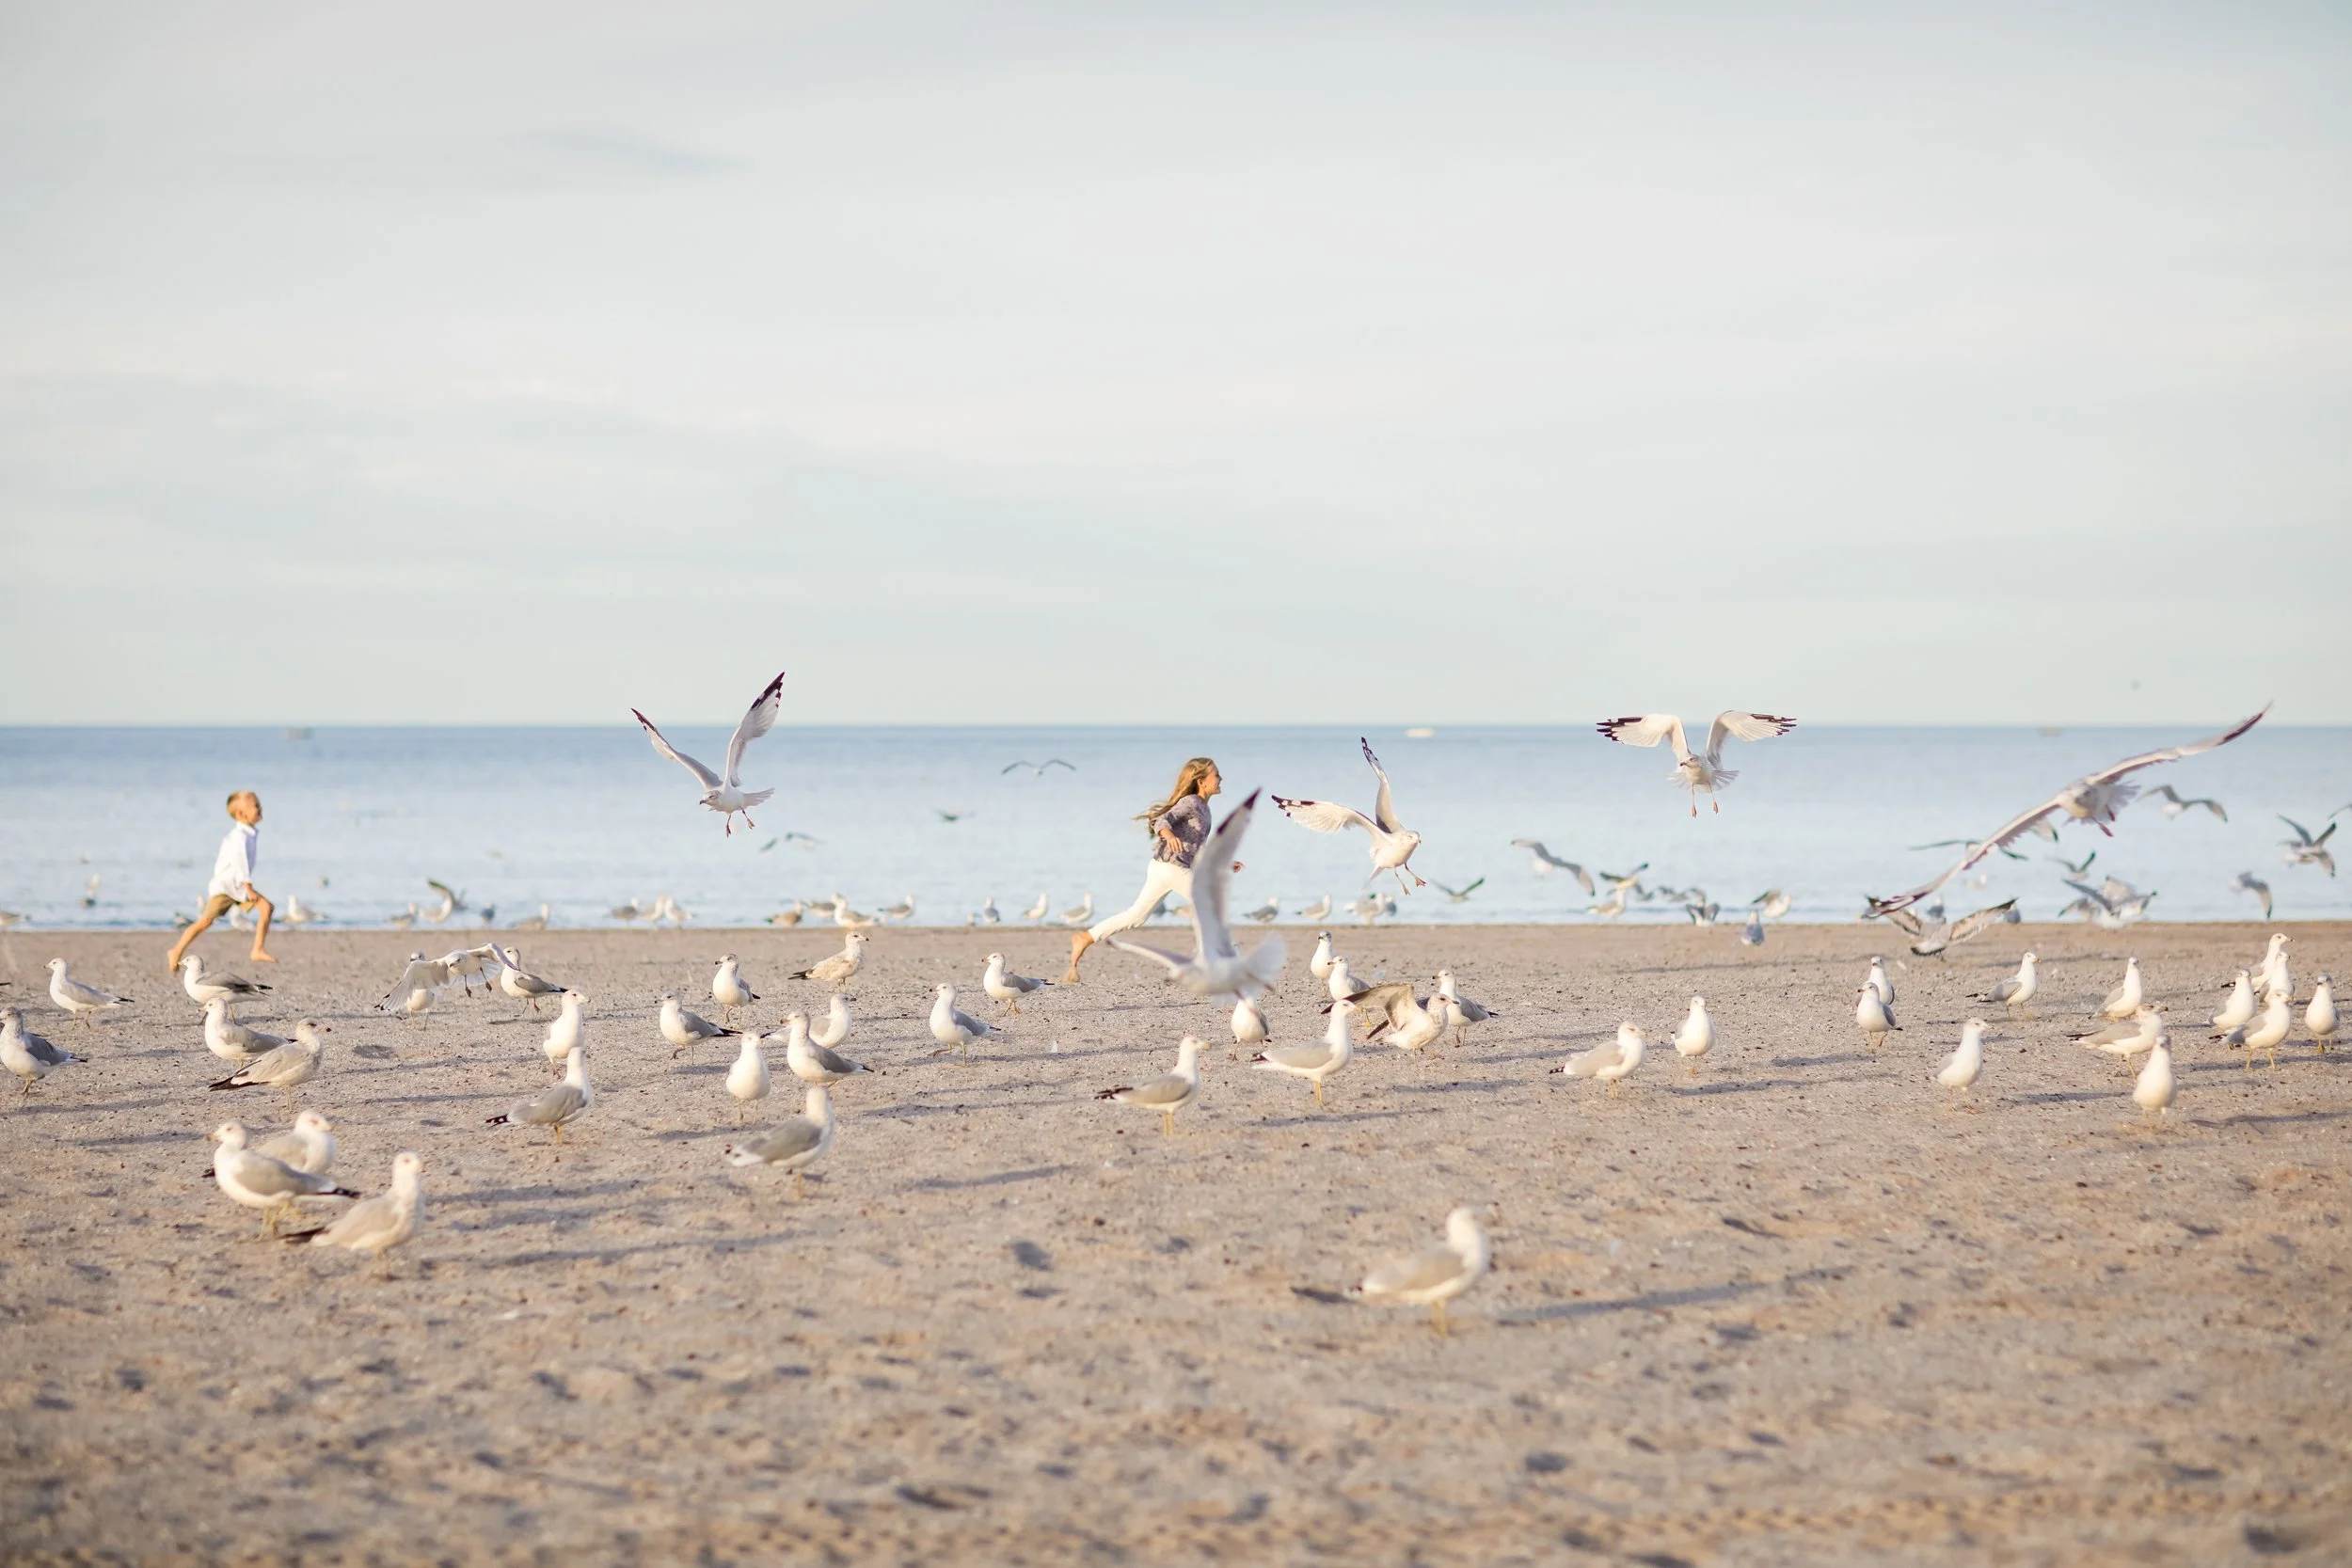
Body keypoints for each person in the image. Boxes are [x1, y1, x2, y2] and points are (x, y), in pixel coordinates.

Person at [1066, 757, 1237, 983]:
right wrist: (1168, 835)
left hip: (1162, 868)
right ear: (1202, 781)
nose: (1220, 778)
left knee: (1136, 917)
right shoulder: (1192, 802)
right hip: (1171, 867)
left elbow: (1198, 850)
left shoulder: (1204, 809)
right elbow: (1162, 820)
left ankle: (1086, 937)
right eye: (1216, 774)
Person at [166, 791, 276, 973]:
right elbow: (241, 862)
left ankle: (257, 949)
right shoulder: (239, 837)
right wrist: (249, 887)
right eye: (255, 806)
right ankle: (176, 950)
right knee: (205, 921)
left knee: (266, 908)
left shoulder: (249, 833)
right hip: (226, 887)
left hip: (238, 886)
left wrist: (245, 886)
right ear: (241, 814)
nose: (260, 808)